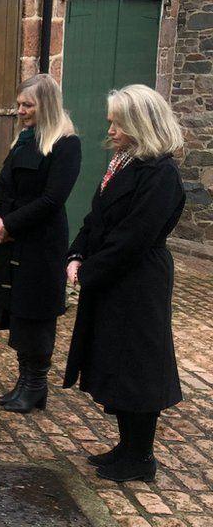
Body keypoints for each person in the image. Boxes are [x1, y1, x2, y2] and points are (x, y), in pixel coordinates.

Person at [63, 84, 185, 483]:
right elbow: (96, 218)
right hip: (114, 278)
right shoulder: (124, 161)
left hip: (138, 283)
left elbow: (134, 236)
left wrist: (90, 272)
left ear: (141, 124)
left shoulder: (160, 173)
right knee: (115, 361)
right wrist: (77, 254)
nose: (110, 129)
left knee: (139, 367)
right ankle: (127, 447)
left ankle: (141, 457)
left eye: (118, 122)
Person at [0, 74, 81, 414]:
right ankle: (24, 381)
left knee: (36, 314)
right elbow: (2, 182)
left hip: (41, 244)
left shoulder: (67, 145)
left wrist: (10, 225)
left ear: (48, 106)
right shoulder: (24, 139)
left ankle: (36, 384)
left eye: (28, 105)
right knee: (18, 310)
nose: (21, 111)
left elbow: (52, 199)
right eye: (19, 104)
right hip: (13, 241)